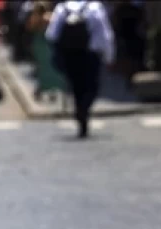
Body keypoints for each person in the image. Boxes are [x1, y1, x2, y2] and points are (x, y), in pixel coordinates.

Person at [46, 0, 114, 138]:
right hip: (91, 55)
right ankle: (84, 110)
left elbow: (51, 34)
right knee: (93, 87)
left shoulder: (62, 8)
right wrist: (109, 55)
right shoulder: (95, 7)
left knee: (77, 88)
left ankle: (80, 115)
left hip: (70, 56)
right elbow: (105, 34)